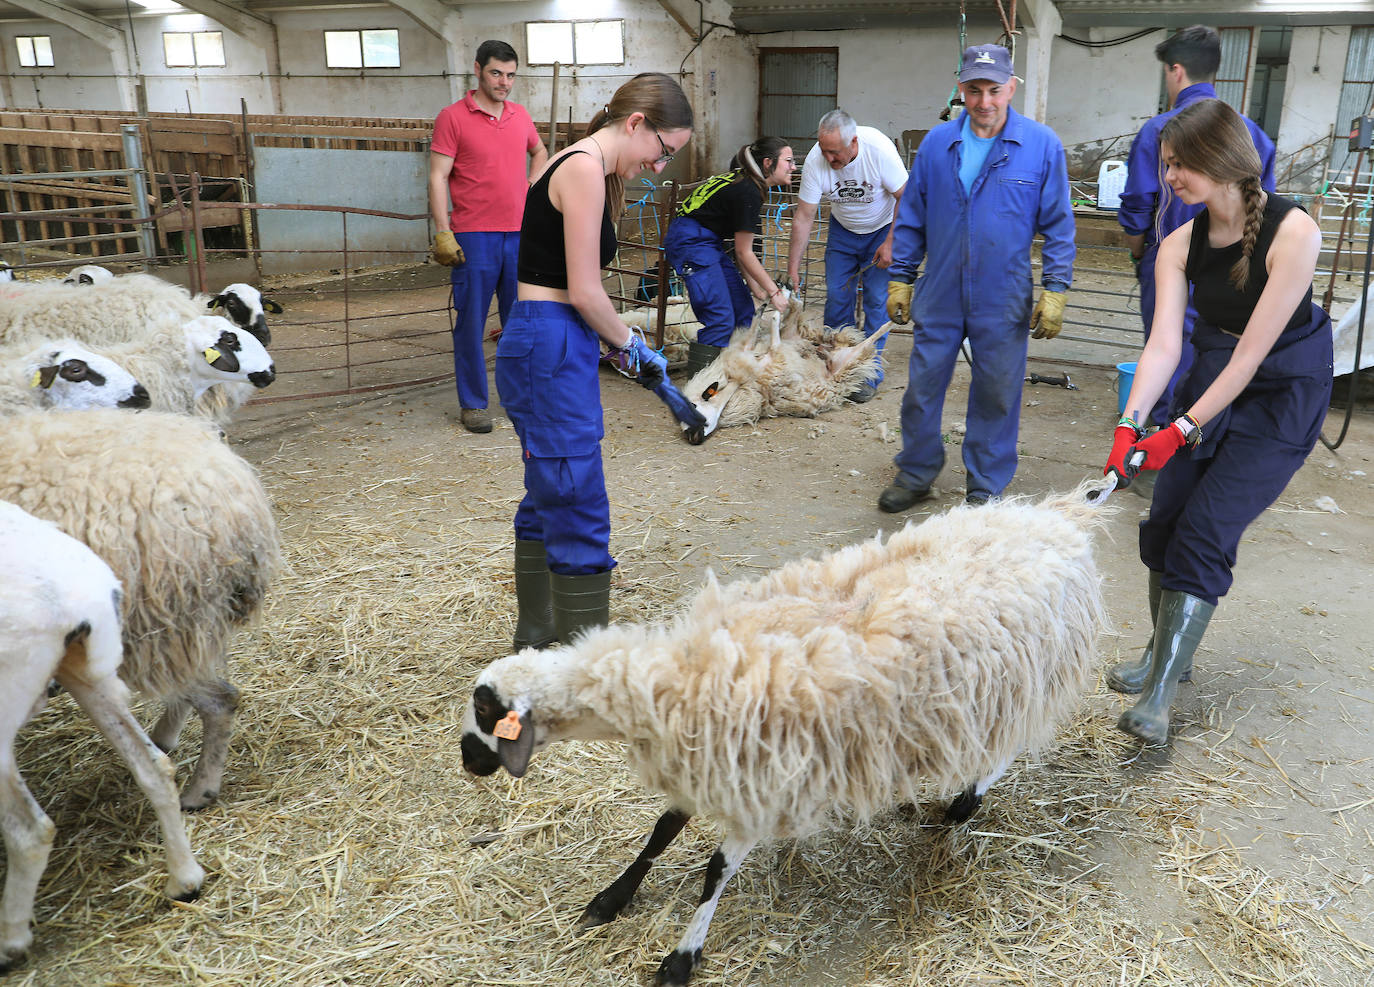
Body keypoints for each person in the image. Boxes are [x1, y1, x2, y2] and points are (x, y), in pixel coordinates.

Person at [1104, 98, 1333, 746]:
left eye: (1180, 164)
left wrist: (1177, 432)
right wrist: (1131, 426)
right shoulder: (1178, 244)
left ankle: (1157, 698)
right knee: (1166, 517)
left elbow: (1253, 355)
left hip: (1281, 388)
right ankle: (1161, 653)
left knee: (1207, 528)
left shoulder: (1296, 235)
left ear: (1224, 161)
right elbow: (1163, 347)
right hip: (1212, 369)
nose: (1169, 176)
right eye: (1166, 164)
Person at [495, 72, 692, 648]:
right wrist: (632, 345)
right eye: (664, 151)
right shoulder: (582, 168)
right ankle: (584, 660)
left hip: (557, 337)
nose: (661, 167)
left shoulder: (592, 170)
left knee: (549, 486)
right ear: (637, 124)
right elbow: (584, 290)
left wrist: (611, 343)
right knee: (576, 490)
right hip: (549, 336)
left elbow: (574, 286)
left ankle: (538, 630)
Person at [879, 44, 1076, 511]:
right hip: (941, 288)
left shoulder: (1041, 145)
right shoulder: (937, 143)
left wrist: (1057, 288)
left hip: (1002, 291)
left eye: (994, 90)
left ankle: (985, 482)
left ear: (1011, 88)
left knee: (996, 390)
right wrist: (902, 275)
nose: (984, 101)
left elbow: (1059, 225)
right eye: (973, 90)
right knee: (923, 387)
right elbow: (912, 216)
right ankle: (916, 472)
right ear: (960, 89)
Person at [1118, 25, 1276, 431]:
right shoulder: (1251, 132)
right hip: (1241, 261)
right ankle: (1208, 432)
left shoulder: (1160, 130)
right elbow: (1267, 204)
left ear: (1175, 71)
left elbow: (1138, 203)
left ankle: (1161, 439)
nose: (1174, 174)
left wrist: (1140, 252)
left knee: (1166, 348)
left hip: (1170, 254)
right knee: (1226, 350)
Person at [428, 39, 549, 434]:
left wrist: (531, 189)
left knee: (520, 322)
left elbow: (540, 152)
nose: (504, 82)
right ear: (478, 69)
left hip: (518, 235)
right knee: (471, 323)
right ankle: (474, 404)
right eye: (497, 73)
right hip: (474, 235)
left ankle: (520, 399)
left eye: (511, 75)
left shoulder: (520, 115)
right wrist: (443, 231)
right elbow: (438, 175)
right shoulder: (453, 117)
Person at [784, 109, 907, 402]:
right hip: (843, 230)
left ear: (853, 142)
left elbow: (907, 195)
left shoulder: (878, 150)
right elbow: (803, 216)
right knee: (838, 295)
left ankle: (868, 372)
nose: (829, 159)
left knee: (877, 300)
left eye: (835, 153)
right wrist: (793, 268)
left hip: (882, 227)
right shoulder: (817, 159)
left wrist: (892, 242)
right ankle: (836, 364)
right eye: (824, 151)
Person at [663, 138, 796, 376]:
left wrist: (756, 288)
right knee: (721, 317)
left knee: (743, 309)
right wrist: (774, 292)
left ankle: (731, 372)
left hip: (707, 241)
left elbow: (740, 248)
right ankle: (701, 389)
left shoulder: (744, 181)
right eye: (788, 161)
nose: (793, 167)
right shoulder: (748, 191)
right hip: (691, 242)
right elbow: (744, 251)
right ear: (768, 163)